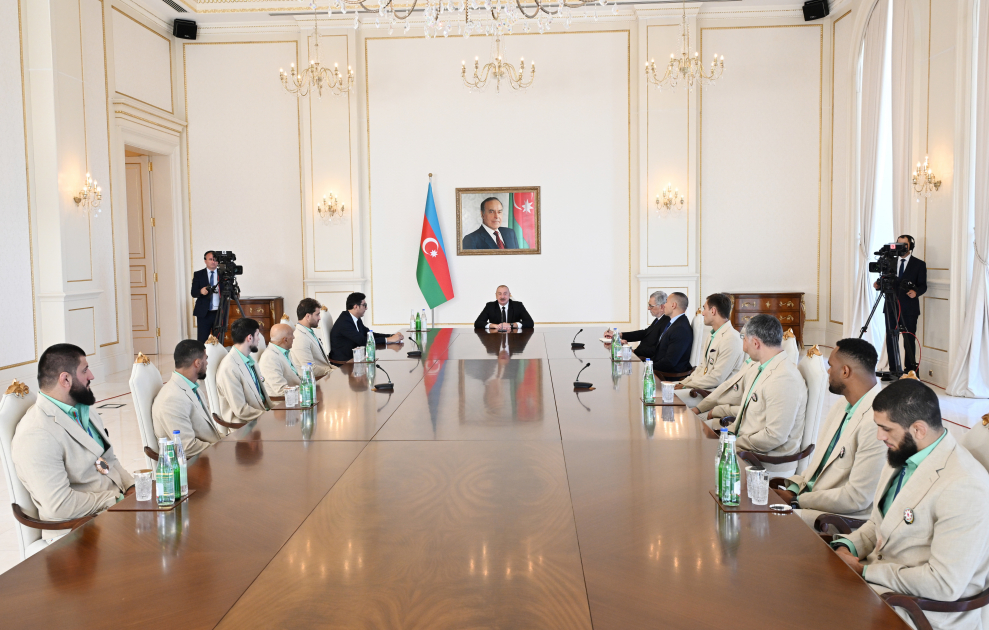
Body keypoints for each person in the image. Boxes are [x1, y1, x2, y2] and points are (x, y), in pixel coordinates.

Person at [830, 379, 989, 630]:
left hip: (922, 612)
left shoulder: (964, 485)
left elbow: (943, 584)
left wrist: (863, 571)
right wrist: (848, 546)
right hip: (883, 591)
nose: (879, 436)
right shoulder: (904, 452)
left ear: (918, 429)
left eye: (886, 428)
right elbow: (880, 524)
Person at [12, 344, 133, 521]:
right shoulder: (36, 434)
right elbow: (59, 507)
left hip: (114, 515)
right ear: (65, 379)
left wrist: (132, 488)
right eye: (85, 370)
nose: (91, 376)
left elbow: (109, 461)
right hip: (81, 531)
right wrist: (117, 500)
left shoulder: (84, 410)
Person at [772, 338, 886, 527]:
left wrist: (797, 501)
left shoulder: (877, 423)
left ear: (845, 371)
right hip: (809, 500)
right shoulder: (843, 403)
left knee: (761, 522)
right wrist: (793, 489)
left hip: (835, 517)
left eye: (831, 365)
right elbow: (819, 466)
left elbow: (857, 498)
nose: (828, 371)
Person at [705, 314, 807, 473]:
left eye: (744, 339)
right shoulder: (764, 367)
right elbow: (752, 411)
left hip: (764, 460)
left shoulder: (784, 378)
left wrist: (733, 443)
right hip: (745, 445)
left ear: (756, 343)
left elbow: (775, 436)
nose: (743, 347)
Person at [151, 339, 221, 458]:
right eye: (206, 359)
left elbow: (207, 433)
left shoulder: (192, 387)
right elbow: (187, 447)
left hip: (210, 455)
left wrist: (232, 442)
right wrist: (224, 449)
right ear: (197, 363)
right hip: (196, 467)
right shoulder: (172, 399)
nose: (207, 363)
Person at [873, 234, 927, 377]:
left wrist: (916, 292)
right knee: (891, 338)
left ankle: (910, 371)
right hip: (891, 306)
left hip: (909, 308)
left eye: (904, 245)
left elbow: (923, 286)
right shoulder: (890, 262)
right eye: (898, 244)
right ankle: (893, 370)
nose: (901, 248)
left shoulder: (919, 264)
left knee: (909, 339)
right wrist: (878, 285)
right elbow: (885, 280)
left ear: (911, 246)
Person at [677, 293, 744, 390]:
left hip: (714, 392)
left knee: (667, 399)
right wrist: (681, 383)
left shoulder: (731, 339)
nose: (702, 313)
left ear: (713, 311)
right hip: (701, 387)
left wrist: (686, 386)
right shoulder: (712, 335)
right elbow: (702, 367)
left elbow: (716, 378)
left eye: (704, 308)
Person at [215, 318, 272, 424]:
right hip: (246, 427)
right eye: (257, 335)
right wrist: (269, 416)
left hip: (261, 419)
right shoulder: (229, 368)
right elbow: (241, 410)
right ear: (249, 338)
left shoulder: (250, 361)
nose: (259, 339)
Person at [329, 292, 404, 362]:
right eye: (364, 305)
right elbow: (363, 341)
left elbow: (369, 334)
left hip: (356, 357)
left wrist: (391, 336)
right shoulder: (344, 322)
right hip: (345, 364)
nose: (366, 308)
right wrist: (389, 339)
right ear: (356, 307)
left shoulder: (355, 318)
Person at [603, 291, 670, 360]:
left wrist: (632, 351)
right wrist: (619, 335)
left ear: (662, 307)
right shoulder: (659, 319)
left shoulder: (667, 322)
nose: (648, 308)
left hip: (646, 359)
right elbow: (645, 333)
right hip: (639, 354)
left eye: (651, 306)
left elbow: (657, 348)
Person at [651, 292, 693, 376]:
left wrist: (647, 367)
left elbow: (669, 362)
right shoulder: (675, 323)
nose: (664, 305)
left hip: (668, 376)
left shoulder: (680, 328)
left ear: (673, 305)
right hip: (659, 370)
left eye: (666, 302)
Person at [291, 298, 334, 378]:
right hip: (316, 382)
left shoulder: (308, 331)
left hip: (325, 377)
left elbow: (325, 363)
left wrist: (338, 370)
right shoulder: (299, 337)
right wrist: (334, 372)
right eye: (317, 314)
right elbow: (310, 369)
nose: (319, 318)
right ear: (308, 316)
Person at [259, 323, 302, 397]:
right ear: (285, 340)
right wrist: (305, 392)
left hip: (297, 396)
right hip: (283, 403)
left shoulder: (284, 351)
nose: (294, 337)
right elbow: (281, 390)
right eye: (292, 335)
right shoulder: (269, 358)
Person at [190, 250, 221, 343]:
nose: (213, 262)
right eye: (210, 259)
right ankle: (202, 357)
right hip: (204, 313)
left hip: (219, 313)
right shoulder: (198, 274)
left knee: (219, 340)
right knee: (202, 339)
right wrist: (201, 291)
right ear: (205, 261)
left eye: (215, 260)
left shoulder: (222, 274)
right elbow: (193, 293)